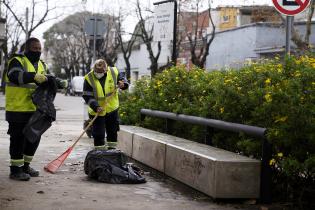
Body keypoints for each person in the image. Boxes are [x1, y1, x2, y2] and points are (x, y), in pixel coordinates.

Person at [5, 37, 67, 181]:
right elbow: (15, 76)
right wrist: (34, 77)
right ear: (27, 49)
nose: (38, 51)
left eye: (40, 49)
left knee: (34, 138)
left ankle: (26, 166)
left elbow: (47, 77)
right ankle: (15, 170)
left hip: (36, 109)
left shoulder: (42, 64)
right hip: (17, 108)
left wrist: (58, 82)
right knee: (18, 140)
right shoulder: (17, 61)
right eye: (35, 49)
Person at [82, 59, 128, 150]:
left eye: (101, 72)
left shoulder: (114, 72)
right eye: (97, 72)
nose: (98, 74)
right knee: (98, 134)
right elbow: (87, 95)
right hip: (97, 111)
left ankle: (112, 153)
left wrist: (123, 84)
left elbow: (123, 80)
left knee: (112, 132)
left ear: (106, 70)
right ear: (94, 69)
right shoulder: (89, 78)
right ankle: (100, 154)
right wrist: (96, 106)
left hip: (112, 108)